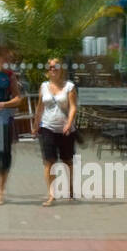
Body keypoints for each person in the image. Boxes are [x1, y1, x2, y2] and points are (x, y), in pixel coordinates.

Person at [33, 57, 78, 206]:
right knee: (49, 162)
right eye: (50, 67)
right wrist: (35, 124)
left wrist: (69, 123)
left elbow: (73, 107)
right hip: (47, 127)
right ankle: (51, 195)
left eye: (55, 66)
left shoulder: (69, 87)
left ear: (61, 69)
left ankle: (70, 189)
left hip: (65, 129)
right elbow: (40, 107)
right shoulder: (44, 86)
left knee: (67, 161)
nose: (53, 69)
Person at [0, 46, 27, 205]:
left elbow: (18, 99)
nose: (8, 62)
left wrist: (3, 104)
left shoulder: (9, 76)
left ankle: (1, 190)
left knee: (3, 155)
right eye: (6, 58)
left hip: (3, 119)